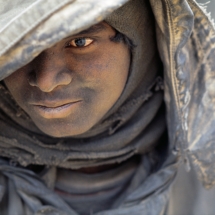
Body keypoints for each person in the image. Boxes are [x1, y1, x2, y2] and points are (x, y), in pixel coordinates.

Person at [0, 0, 215, 214]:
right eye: (21, 48)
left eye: (80, 42)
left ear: (141, 44)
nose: (46, 81)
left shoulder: (205, 176)